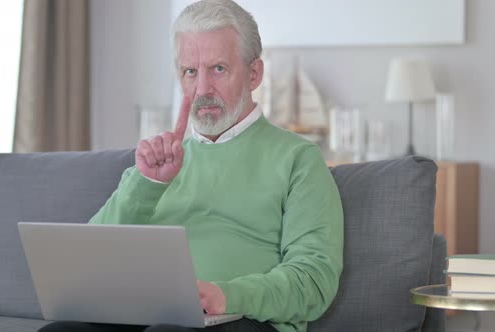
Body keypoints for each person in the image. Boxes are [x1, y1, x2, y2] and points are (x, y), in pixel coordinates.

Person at [39, 0, 343, 331]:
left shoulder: (298, 158)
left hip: (242, 319)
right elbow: (86, 261)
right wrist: (145, 184)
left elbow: (314, 280)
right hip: (144, 314)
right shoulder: (156, 163)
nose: (202, 89)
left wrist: (227, 295)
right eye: (190, 71)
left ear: (254, 74)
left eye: (218, 69)